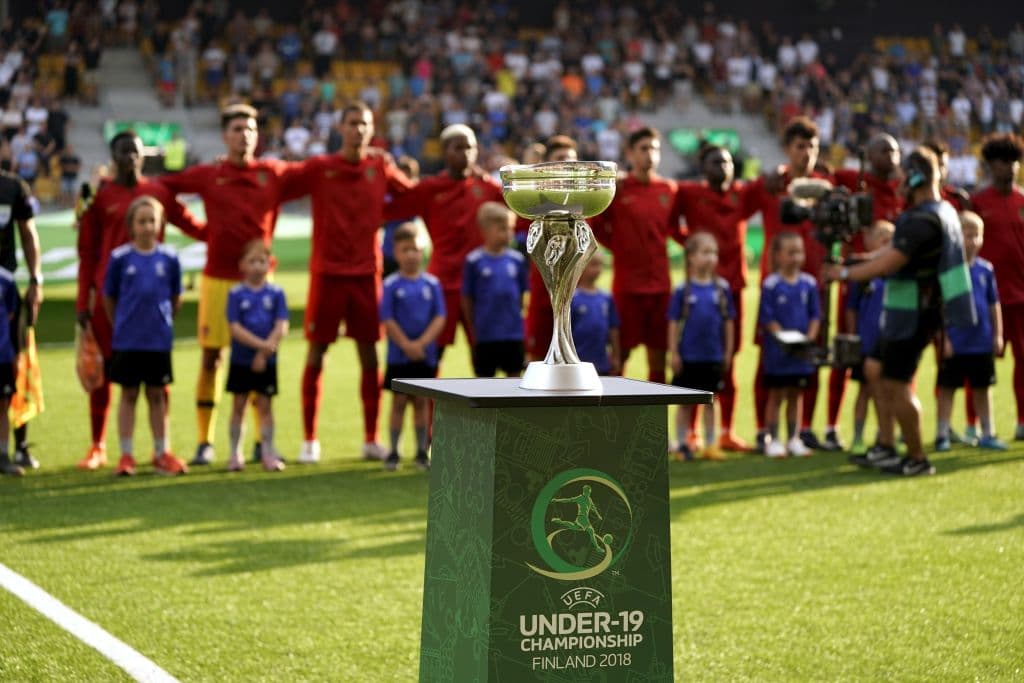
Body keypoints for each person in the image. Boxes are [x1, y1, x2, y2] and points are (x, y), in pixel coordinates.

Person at [162, 104, 304, 466]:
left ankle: (260, 443)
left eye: (251, 129)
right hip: (218, 279)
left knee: (261, 358)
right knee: (212, 359)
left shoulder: (272, 174)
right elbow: (165, 188)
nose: (245, 135)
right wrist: (199, 230)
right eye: (238, 129)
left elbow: (314, 178)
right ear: (225, 135)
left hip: (261, 283)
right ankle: (204, 442)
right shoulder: (210, 174)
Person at [825, 147, 976, 477]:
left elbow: (891, 262)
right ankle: (886, 445)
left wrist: (846, 274)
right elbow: (889, 252)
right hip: (903, 308)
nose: (900, 184)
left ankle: (917, 458)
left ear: (918, 177)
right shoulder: (938, 210)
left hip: (914, 313)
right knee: (875, 369)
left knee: (897, 382)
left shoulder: (924, 218)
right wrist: (853, 262)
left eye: (906, 177)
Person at [284, 101, 414, 464]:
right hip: (326, 274)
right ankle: (309, 439)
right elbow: (279, 182)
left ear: (372, 130)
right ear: (339, 128)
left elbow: (411, 194)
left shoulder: (380, 166)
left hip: (365, 275)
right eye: (352, 122)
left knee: (370, 354)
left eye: (365, 124)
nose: (359, 130)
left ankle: (371, 439)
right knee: (317, 352)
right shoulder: (320, 168)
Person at [76, 130, 204, 470]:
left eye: (134, 151)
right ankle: (98, 446)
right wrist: (81, 302)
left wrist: (227, 234)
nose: (129, 157)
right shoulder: (99, 196)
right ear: (112, 155)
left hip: (153, 303)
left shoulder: (158, 191)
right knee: (107, 372)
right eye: (122, 151)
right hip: (112, 299)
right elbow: (87, 251)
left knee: (158, 382)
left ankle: (161, 449)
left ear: (142, 156)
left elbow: (192, 225)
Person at [383, 124, 503, 365]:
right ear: (445, 152)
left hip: (480, 284)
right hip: (442, 283)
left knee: (484, 357)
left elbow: (517, 218)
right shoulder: (430, 189)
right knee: (431, 356)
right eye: (459, 148)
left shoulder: (488, 187)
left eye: (471, 148)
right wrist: (384, 167)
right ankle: (427, 404)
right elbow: (391, 204)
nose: (466, 153)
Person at [744, 117, 828, 451]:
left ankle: (803, 429)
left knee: (811, 358)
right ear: (787, 149)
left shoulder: (824, 189)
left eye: (812, 146)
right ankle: (764, 430)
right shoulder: (771, 186)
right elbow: (737, 203)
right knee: (770, 363)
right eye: (799, 146)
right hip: (775, 290)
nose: (806, 153)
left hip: (813, 287)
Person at [669, 143, 755, 451]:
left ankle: (726, 431)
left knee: (727, 362)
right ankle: (690, 433)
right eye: (716, 162)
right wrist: (691, 247)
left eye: (728, 162)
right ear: (703, 168)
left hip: (732, 289)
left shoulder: (743, 194)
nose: (723, 167)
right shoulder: (690, 193)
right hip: (700, 287)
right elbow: (669, 222)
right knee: (692, 362)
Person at [825, 133, 905, 450]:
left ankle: (891, 430)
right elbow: (823, 178)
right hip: (859, 286)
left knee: (897, 367)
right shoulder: (851, 179)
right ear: (868, 155)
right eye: (884, 149)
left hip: (896, 289)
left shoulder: (903, 191)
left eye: (895, 149)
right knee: (847, 361)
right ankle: (833, 427)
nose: (891, 155)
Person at [102, 196, 186, 477]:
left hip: (158, 340)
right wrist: (122, 324)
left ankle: (162, 452)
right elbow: (109, 298)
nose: (148, 226)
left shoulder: (170, 258)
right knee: (128, 394)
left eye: (153, 220)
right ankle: (126, 455)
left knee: (157, 395)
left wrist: (161, 322)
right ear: (131, 226)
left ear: (160, 224)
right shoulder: (120, 259)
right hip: (128, 339)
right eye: (142, 221)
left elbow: (176, 298)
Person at [591, 127, 681, 382]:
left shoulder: (669, 189)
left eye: (654, 149)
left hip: (660, 286)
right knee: (620, 356)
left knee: (658, 359)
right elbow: (597, 225)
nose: (650, 154)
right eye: (644, 149)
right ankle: (616, 419)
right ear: (630, 153)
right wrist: (620, 246)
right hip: (627, 287)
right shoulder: (617, 190)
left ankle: (653, 421)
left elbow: (675, 228)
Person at [934, 211, 1007, 451]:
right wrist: (944, 339)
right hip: (955, 342)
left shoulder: (986, 270)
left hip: (981, 342)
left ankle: (987, 432)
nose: (973, 241)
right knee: (947, 389)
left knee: (982, 389)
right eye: (967, 235)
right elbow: (941, 307)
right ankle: (942, 433)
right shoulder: (949, 269)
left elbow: (993, 305)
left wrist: (997, 335)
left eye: (977, 235)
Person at [380, 223, 446, 472]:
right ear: (396, 253)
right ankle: (394, 451)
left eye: (415, 249)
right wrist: (406, 344)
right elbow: (387, 319)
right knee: (398, 402)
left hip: (424, 355)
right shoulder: (391, 285)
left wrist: (421, 344)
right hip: (399, 355)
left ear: (423, 252)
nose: (411, 255)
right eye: (405, 250)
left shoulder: (431, 284)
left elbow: (439, 318)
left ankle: (421, 451)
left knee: (421, 402)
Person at [971, 133, 1024, 439]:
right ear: (991, 165)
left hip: (1021, 295)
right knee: (976, 361)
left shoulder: (1022, 201)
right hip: (986, 296)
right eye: (1005, 161)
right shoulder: (978, 202)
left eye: (1015, 161)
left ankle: (1021, 421)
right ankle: (972, 424)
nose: (1011, 167)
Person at [668, 232, 736, 461]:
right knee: (685, 404)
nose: (710, 258)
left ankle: (710, 444)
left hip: (713, 356)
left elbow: (728, 322)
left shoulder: (722, 289)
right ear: (691, 258)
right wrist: (674, 353)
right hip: (688, 357)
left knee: (710, 402)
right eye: (705, 252)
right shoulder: (683, 290)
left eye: (714, 253)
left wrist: (728, 351)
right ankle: (682, 444)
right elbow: (673, 323)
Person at [225, 240, 290, 472]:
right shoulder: (235, 293)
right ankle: (235, 454)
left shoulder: (276, 293)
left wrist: (266, 350)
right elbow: (235, 328)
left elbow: (282, 325)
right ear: (242, 265)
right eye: (252, 261)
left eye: (261, 261)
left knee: (265, 406)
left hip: (267, 361)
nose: (257, 266)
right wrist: (261, 346)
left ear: (270, 264)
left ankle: (268, 453)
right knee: (239, 405)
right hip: (241, 359)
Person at [759, 232, 821, 458]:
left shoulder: (809, 283)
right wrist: (784, 338)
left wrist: (808, 339)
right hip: (779, 353)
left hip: (800, 353)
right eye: (790, 252)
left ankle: (794, 439)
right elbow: (767, 318)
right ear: (777, 255)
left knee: (797, 395)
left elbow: (816, 315)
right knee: (776, 396)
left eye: (799, 252)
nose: (796, 257)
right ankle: (773, 439)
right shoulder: (771, 284)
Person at [0, 168, 43, 471]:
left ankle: (19, 444)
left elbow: (28, 234)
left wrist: (36, 280)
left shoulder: (12, 187)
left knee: (16, 365)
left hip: (6, 291)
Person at [524, 135, 578, 363]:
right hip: (543, 291)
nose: (567, 165)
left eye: (571, 161)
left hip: (579, 294)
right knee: (538, 359)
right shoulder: (532, 200)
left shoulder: (587, 203)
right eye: (560, 159)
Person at [844, 221, 893, 455]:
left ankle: (885, 436)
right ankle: (857, 437)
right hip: (866, 343)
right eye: (880, 235)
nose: (886, 239)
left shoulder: (895, 274)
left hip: (889, 343)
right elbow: (851, 309)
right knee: (864, 391)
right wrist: (855, 336)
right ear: (868, 242)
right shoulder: (863, 276)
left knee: (889, 391)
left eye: (890, 237)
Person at [461, 202, 528, 377]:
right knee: (485, 382)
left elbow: (522, 295)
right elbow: (468, 299)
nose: (508, 234)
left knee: (515, 380)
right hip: (486, 335)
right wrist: (473, 328)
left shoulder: (517, 260)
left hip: (513, 334)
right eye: (502, 229)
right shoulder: (474, 261)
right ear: (485, 231)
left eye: (510, 229)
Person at [570, 250, 620, 376]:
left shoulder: (606, 298)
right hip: (576, 364)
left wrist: (615, 355)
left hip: (601, 363)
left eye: (600, 265)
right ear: (580, 266)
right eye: (593, 264)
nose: (598, 269)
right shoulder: (572, 299)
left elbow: (613, 329)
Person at [0, 267, 21, 476]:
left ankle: (3, 456)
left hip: (2, 355)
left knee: (3, 405)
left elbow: (12, 314)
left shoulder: (6, 279)